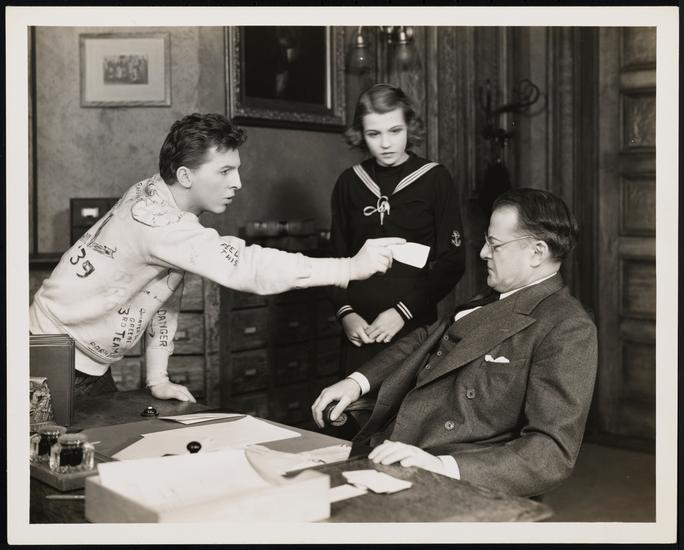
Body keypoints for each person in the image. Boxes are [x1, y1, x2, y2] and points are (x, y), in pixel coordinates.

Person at [29, 113, 404, 403]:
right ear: (185, 175)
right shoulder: (161, 223)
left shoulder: (155, 192)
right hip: (50, 359)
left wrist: (157, 378)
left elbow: (159, 295)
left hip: (78, 360)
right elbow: (247, 267)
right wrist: (350, 267)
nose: (237, 182)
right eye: (225, 171)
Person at [312, 188, 598, 498]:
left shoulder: (567, 325)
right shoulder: (490, 298)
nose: (483, 253)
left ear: (537, 253)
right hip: (392, 448)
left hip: (454, 476)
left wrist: (442, 466)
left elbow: (551, 452)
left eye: (494, 244)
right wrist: (357, 382)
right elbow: (425, 338)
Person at [328, 83, 466, 376]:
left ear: (409, 127)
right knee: (352, 403)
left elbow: (453, 263)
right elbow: (335, 260)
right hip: (360, 330)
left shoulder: (435, 179)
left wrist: (402, 312)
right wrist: (346, 314)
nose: (385, 144)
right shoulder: (349, 183)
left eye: (395, 131)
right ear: (361, 134)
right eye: (373, 134)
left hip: (412, 325)